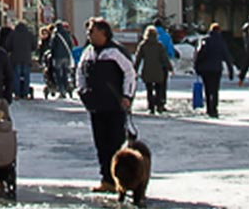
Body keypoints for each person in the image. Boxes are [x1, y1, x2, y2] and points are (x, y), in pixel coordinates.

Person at [77, 17, 136, 193]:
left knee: (116, 144)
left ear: (103, 33)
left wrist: (127, 96)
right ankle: (106, 179)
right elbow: (79, 72)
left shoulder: (115, 52)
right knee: (101, 144)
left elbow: (130, 73)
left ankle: (120, 180)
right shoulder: (88, 52)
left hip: (114, 105)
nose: (88, 34)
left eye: (92, 31)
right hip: (96, 106)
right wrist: (82, 92)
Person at [193, 23, 235, 118]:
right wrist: (230, 70)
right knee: (215, 89)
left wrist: (197, 66)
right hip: (216, 69)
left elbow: (199, 55)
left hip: (205, 69)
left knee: (207, 88)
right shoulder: (221, 42)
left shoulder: (205, 41)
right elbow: (227, 56)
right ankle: (214, 108)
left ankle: (209, 108)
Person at [135, 25, 173, 114]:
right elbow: (164, 58)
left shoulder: (143, 45)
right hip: (158, 71)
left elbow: (138, 58)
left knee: (149, 90)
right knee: (158, 88)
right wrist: (169, 67)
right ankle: (159, 105)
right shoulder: (159, 45)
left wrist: (135, 69)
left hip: (147, 70)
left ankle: (151, 107)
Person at [10, 20, 37, 99]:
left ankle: (17, 94)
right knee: (26, 76)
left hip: (16, 58)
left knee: (16, 76)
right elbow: (34, 46)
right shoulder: (29, 34)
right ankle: (25, 93)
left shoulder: (13, 34)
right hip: (26, 58)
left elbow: (8, 45)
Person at [50, 21, 76, 98]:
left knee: (58, 74)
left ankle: (61, 90)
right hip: (66, 57)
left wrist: (52, 55)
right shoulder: (67, 34)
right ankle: (67, 87)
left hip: (58, 57)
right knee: (65, 73)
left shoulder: (56, 35)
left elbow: (52, 46)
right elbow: (71, 45)